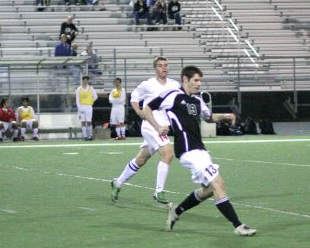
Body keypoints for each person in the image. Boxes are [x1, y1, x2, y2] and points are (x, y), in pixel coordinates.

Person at [142, 65, 257, 236]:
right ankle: (238, 226)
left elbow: (208, 117)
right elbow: (147, 108)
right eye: (196, 80)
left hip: (200, 149)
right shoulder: (173, 95)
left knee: (210, 189)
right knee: (219, 183)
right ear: (185, 79)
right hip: (187, 149)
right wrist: (158, 127)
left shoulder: (197, 100)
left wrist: (226, 116)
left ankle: (176, 212)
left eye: (200, 80)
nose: (199, 84)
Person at [110, 56, 180, 205]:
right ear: (155, 69)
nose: (164, 68)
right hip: (151, 126)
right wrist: (139, 111)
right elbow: (134, 97)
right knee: (168, 154)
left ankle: (118, 182)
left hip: (163, 126)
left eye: (166, 65)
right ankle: (158, 191)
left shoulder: (175, 84)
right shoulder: (148, 84)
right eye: (160, 66)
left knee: (141, 160)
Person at [75, 76, 98, 140]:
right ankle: (85, 136)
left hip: (88, 107)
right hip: (81, 106)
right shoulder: (78, 89)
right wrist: (79, 108)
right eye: (84, 80)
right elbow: (77, 99)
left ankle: (90, 135)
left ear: (88, 81)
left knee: (89, 121)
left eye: (86, 80)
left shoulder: (91, 88)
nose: (85, 82)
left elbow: (95, 97)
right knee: (83, 122)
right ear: (82, 81)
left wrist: (91, 101)